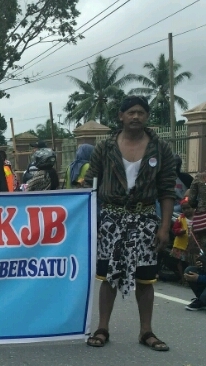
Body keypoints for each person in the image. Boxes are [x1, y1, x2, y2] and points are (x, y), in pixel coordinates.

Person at [84, 95, 175, 352]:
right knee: (108, 277)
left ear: (146, 117)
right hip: (110, 220)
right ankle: (102, 328)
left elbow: (167, 189)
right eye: (131, 112)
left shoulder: (161, 148)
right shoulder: (105, 147)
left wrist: (165, 227)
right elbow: (90, 184)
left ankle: (146, 331)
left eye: (141, 113)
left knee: (146, 279)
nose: (136, 117)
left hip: (146, 220)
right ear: (121, 116)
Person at [169, 199, 189, 283]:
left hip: (191, 246)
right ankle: (182, 278)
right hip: (180, 245)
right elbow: (174, 229)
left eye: (189, 208)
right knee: (180, 262)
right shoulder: (180, 218)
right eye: (184, 209)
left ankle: (189, 277)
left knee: (189, 263)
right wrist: (180, 231)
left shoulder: (196, 218)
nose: (186, 210)